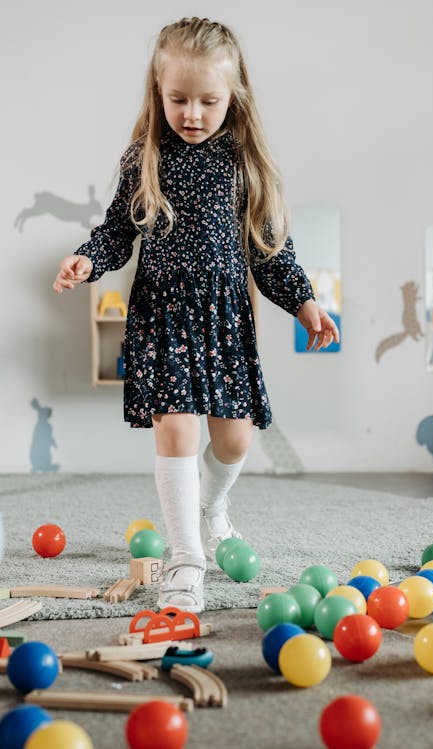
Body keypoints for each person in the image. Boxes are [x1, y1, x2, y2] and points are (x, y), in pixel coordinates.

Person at [53, 17, 339, 612]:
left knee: (234, 441)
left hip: (224, 317)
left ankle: (212, 508)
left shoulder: (244, 163)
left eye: (208, 100)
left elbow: (270, 250)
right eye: (177, 98)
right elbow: (117, 232)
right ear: (157, 91)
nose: (192, 113)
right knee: (176, 429)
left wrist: (305, 302)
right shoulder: (145, 158)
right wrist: (87, 259)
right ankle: (186, 560)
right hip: (163, 313)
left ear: (234, 96)